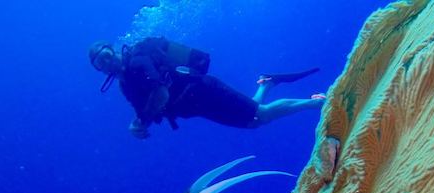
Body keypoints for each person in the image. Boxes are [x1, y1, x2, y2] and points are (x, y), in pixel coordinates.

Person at [89, 37, 325, 139]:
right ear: (100, 71)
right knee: (254, 121)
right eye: (100, 63)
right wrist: (138, 125)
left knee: (260, 114)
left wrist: (141, 121)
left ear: (113, 49)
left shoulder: (138, 60)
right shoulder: (125, 87)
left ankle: (316, 102)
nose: (107, 62)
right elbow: (144, 110)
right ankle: (267, 83)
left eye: (107, 55)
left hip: (203, 90)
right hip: (197, 107)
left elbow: (160, 93)